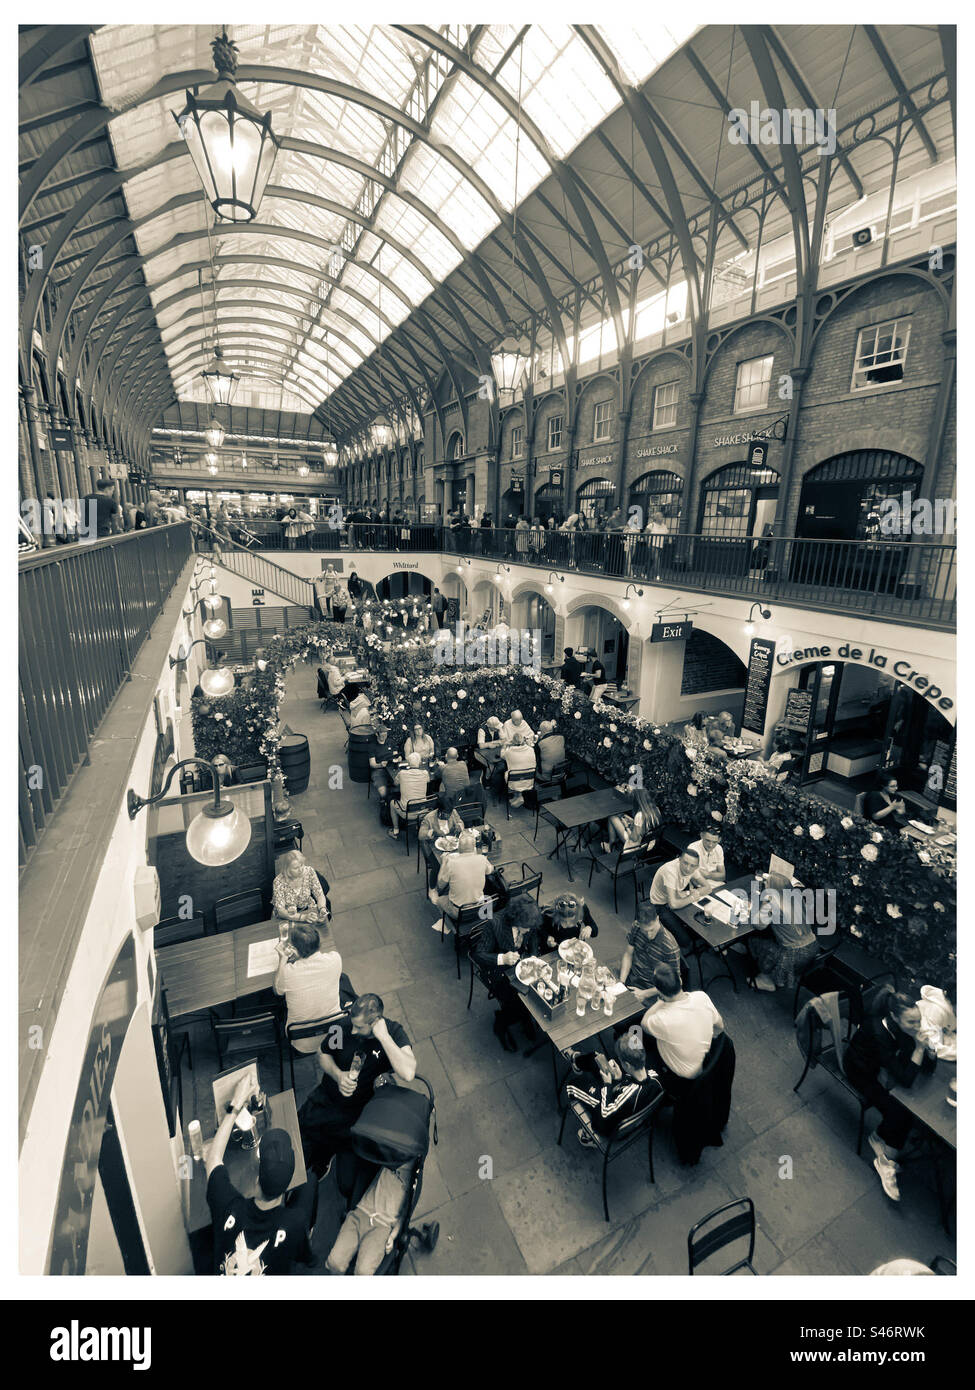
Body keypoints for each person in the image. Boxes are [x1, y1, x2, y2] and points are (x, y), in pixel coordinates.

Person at [298, 994, 415, 1177]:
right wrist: (338, 1075)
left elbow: (408, 1072)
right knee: (301, 1128)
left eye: (359, 1027)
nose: (353, 1031)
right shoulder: (343, 1027)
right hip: (327, 1095)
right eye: (352, 1024)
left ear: (376, 1022)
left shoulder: (392, 1033)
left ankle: (325, 1157)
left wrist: (383, 1037)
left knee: (341, 1146)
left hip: (357, 1108)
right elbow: (322, 1054)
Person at [207, 1087, 318, 1274]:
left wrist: (235, 1106)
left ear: (257, 1179)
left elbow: (213, 1158)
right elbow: (302, 1255)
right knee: (311, 1180)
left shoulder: (229, 1206)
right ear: (286, 1187)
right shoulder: (294, 1223)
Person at [844, 988, 937, 1203]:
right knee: (902, 1113)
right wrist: (919, 1050)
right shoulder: (879, 1034)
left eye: (919, 1021)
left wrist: (930, 1051)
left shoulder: (902, 1031)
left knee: (906, 1107)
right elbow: (906, 1078)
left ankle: (879, 1136)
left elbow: (926, 1070)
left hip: (882, 1069)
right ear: (894, 1017)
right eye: (912, 1022)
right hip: (861, 1072)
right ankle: (885, 1163)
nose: (918, 1027)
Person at [564, 1032, 662, 1148]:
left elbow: (605, 1113)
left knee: (573, 1084)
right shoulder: (655, 1076)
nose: (619, 1062)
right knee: (595, 1058)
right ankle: (576, 1060)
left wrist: (607, 1084)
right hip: (625, 1107)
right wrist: (620, 1078)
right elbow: (631, 1089)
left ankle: (589, 1135)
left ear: (627, 1065)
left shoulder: (629, 1095)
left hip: (608, 1124)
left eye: (620, 1061)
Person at [472, 895, 544, 1051]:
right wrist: (502, 958)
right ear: (516, 920)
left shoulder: (528, 922)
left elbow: (533, 939)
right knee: (516, 998)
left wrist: (533, 956)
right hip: (497, 970)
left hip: (519, 964)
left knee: (537, 990)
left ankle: (523, 1015)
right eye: (526, 927)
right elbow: (479, 954)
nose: (528, 930)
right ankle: (501, 1023)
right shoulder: (495, 923)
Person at [641, 964, 724, 1087]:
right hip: (705, 1061)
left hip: (679, 1073)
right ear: (680, 980)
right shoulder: (702, 997)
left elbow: (643, 1023)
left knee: (634, 1029)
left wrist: (660, 1002)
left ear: (659, 991)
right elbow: (720, 1027)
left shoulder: (662, 1020)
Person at [273, 921, 343, 1052]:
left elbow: (277, 991)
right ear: (319, 942)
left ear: (295, 950)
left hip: (301, 1042)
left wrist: (282, 958)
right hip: (334, 1034)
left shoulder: (288, 972)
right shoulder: (335, 959)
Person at [750, 871, 818, 992]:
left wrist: (765, 901)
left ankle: (766, 980)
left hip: (793, 956)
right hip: (812, 948)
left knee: (753, 941)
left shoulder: (772, 904)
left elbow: (758, 925)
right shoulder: (797, 898)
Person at [620, 903, 682, 1001]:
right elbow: (628, 955)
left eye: (651, 929)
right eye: (645, 931)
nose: (649, 935)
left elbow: (677, 981)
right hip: (633, 976)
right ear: (638, 923)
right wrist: (621, 982)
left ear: (657, 919)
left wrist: (644, 994)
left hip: (653, 988)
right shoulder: (636, 926)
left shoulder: (670, 946)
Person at [649, 850, 708, 949]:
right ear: (679, 860)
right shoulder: (670, 871)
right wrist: (692, 896)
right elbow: (673, 904)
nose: (688, 868)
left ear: (696, 866)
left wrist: (690, 894)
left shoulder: (692, 867)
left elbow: (707, 887)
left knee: (701, 924)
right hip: (660, 905)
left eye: (693, 866)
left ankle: (687, 931)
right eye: (685, 863)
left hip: (678, 898)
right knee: (685, 941)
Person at [431, 828, 489, 920]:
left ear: (459, 848)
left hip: (458, 912)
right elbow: (490, 870)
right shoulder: (482, 859)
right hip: (479, 908)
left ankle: (448, 924)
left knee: (436, 899)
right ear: (474, 848)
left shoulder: (452, 863)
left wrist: (443, 864)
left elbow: (440, 885)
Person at [272, 850, 329, 924]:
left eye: (302, 865)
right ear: (287, 869)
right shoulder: (278, 882)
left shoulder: (309, 871)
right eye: (296, 868)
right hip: (287, 917)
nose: (301, 870)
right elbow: (281, 911)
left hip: (307, 909)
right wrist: (302, 917)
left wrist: (322, 909)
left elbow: (319, 894)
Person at [605, 786, 661, 852]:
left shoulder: (640, 816)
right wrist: (631, 821)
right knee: (622, 816)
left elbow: (633, 839)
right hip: (649, 843)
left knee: (612, 817)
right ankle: (611, 843)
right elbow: (644, 827)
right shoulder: (656, 810)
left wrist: (626, 825)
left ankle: (610, 845)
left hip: (635, 847)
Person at [387, 752, 429, 838]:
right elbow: (428, 780)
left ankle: (396, 830)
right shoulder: (425, 773)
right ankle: (419, 825)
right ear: (420, 762)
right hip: (423, 811)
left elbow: (395, 783)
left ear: (408, 763)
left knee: (392, 803)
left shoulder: (402, 773)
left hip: (406, 813)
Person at [503, 730, 536, 808]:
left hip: (514, 783)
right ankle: (518, 796)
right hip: (530, 781)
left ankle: (518, 796)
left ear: (512, 742)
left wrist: (505, 746)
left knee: (509, 772)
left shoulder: (509, 752)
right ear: (523, 741)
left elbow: (502, 755)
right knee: (520, 770)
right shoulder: (531, 750)